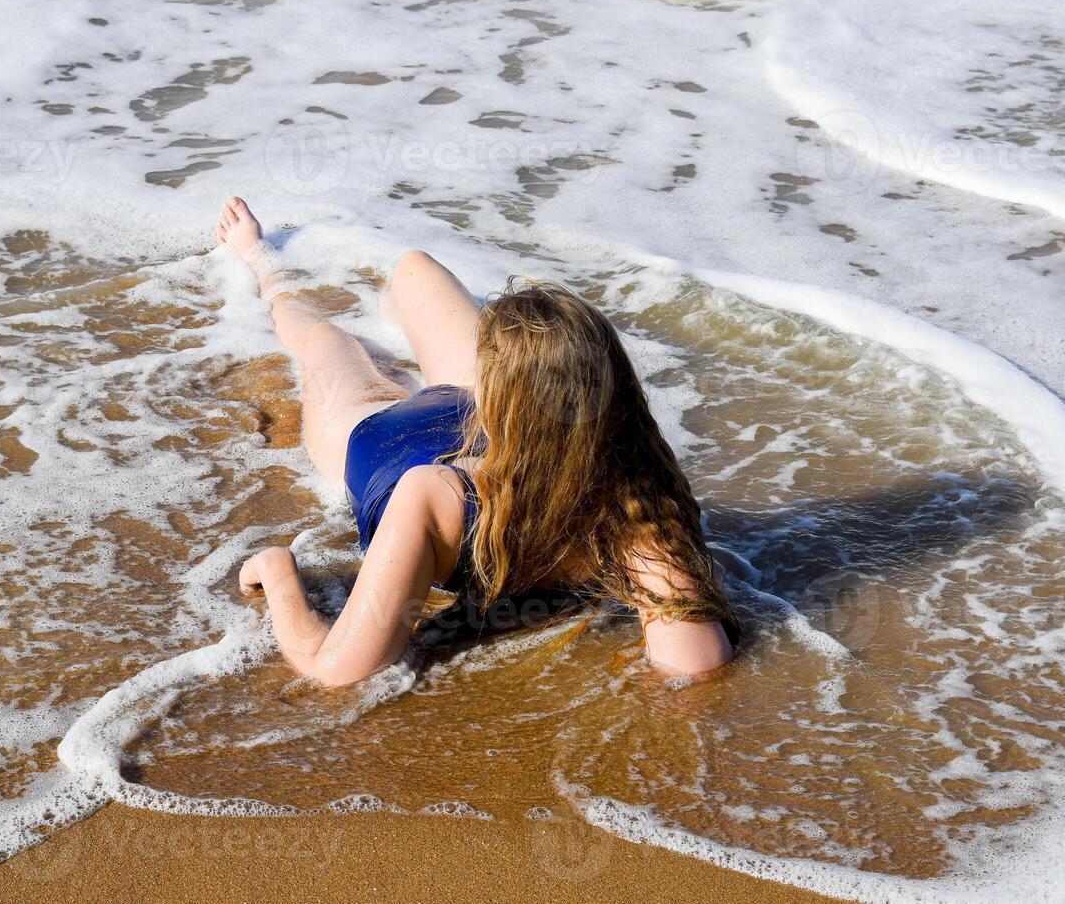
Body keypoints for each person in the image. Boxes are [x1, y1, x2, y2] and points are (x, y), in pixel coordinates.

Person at [217, 197, 738, 686]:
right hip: (474, 417)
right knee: (414, 268)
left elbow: (332, 669)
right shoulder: (641, 507)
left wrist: (277, 570)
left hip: (382, 435)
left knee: (326, 340)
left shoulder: (430, 496)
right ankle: (284, 268)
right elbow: (697, 667)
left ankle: (263, 263)